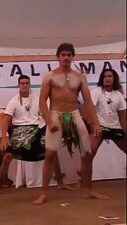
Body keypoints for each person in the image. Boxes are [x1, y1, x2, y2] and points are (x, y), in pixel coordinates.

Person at [33, 43, 109, 205]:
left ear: (73, 56)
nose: (66, 58)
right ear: (58, 57)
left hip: (74, 113)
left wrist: (95, 123)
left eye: (69, 55)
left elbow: (88, 102)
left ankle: (89, 189)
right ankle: (44, 193)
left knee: (87, 153)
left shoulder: (79, 77)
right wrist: (49, 120)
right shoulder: (50, 76)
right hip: (56, 114)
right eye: (63, 55)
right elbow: (41, 101)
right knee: (50, 154)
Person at [90, 69, 126, 155]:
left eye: (110, 76)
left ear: (114, 79)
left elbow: (123, 115)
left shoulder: (118, 95)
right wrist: (95, 125)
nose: (107, 78)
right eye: (105, 76)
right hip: (100, 127)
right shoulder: (96, 92)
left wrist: (125, 131)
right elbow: (89, 109)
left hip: (115, 127)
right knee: (89, 154)